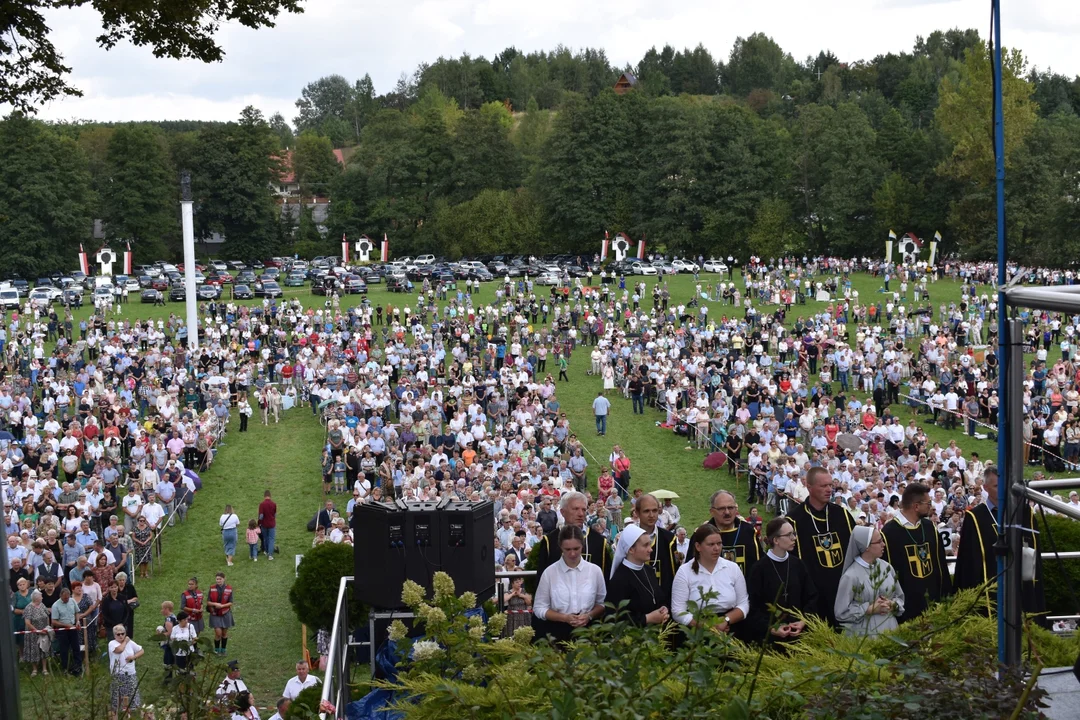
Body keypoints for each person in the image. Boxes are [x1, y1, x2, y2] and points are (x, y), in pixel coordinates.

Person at [954, 467, 1045, 616]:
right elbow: (967, 563)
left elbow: (1034, 554)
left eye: (1005, 485)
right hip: (990, 588)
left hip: (1019, 586)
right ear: (985, 488)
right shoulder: (975, 517)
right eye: (996, 486)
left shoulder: (1024, 514)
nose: (1002, 490)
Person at [787, 466, 854, 626]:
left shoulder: (842, 514)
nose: (829, 489)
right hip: (813, 597)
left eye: (831, 485)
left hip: (844, 592)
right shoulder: (793, 520)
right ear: (809, 487)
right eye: (824, 486)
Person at [881, 482, 953, 623]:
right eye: (928, 502)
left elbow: (941, 565)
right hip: (906, 607)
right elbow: (887, 575)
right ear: (916, 506)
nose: (931, 506)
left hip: (933, 605)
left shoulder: (930, 528)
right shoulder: (889, 533)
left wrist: (946, 597)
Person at [745, 517, 818, 643]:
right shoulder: (759, 569)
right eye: (789, 535)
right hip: (770, 639)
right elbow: (754, 606)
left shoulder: (798, 564)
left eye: (794, 534)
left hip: (799, 635)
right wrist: (771, 628)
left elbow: (811, 596)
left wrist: (803, 620)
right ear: (776, 540)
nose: (794, 538)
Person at [533, 525, 607, 644]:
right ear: (560, 547)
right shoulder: (550, 573)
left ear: (582, 546)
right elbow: (539, 608)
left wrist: (589, 615)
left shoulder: (595, 571)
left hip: (588, 632)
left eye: (576, 549)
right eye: (567, 549)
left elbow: (602, 603)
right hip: (557, 632)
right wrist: (564, 618)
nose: (572, 554)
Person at [671, 524, 748, 635]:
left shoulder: (732, 568)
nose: (716, 548)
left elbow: (743, 604)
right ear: (698, 547)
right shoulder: (685, 571)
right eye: (711, 544)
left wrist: (725, 620)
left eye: (719, 543)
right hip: (697, 632)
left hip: (730, 628)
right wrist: (706, 626)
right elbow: (678, 611)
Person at [835, 526, 905, 637]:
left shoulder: (887, 567)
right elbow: (841, 612)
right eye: (879, 541)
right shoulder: (851, 575)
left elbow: (899, 596)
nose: (883, 544)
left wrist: (892, 604)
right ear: (866, 546)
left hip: (891, 629)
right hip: (865, 634)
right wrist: (868, 609)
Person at [527, 491, 610, 584]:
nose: (581, 514)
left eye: (583, 509)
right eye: (575, 509)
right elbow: (542, 580)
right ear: (562, 512)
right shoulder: (549, 541)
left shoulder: (598, 542)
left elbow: (604, 580)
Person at [606, 524, 670, 627]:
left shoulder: (648, 570)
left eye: (650, 544)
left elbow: (658, 597)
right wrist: (647, 618)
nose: (650, 549)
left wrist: (663, 608)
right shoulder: (619, 579)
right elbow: (616, 619)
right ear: (631, 549)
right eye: (645, 545)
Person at [693, 489, 762, 577]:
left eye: (730, 508)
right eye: (722, 508)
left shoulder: (749, 532)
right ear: (712, 512)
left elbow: (758, 567)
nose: (727, 512)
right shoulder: (701, 535)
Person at [632, 493, 679, 607]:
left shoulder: (669, 539)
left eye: (655, 510)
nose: (651, 515)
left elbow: (673, 574)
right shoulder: (629, 538)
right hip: (635, 602)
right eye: (646, 511)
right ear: (637, 513)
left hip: (663, 603)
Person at [108, 623, 144, 718]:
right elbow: (119, 650)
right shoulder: (112, 643)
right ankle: (115, 714)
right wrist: (125, 641)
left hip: (130, 673)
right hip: (117, 673)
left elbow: (141, 650)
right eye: (118, 634)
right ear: (114, 635)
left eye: (122, 633)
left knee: (132, 693)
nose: (121, 636)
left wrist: (134, 657)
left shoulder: (131, 643)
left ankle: (130, 713)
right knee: (116, 695)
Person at [50, 585, 82, 676]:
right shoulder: (55, 605)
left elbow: (77, 612)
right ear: (61, 596)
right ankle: (65, 668)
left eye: (67, 598)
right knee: (64, 649)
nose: (66, 600)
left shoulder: (72, 601)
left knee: (76, 647)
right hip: (62, 630)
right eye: (64, 598)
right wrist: (65, 625)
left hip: (73, 627)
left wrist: (78, 621)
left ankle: (78, 666)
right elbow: (54, 621)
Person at [21, 589, 51, 676]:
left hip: (44, 632)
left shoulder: (42, 605)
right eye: (41, 596)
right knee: (34, 650)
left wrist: (47, 628)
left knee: (44, 649)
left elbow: (47, 616)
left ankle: (44, 669)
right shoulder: (28, 608)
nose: (42, 597)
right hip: (33, 633)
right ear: (37, 598)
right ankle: (34, 669)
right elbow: (27, 623)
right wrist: (37, 631)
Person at [208, 571, 235, 655]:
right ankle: (216, 650)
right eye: (217, 579)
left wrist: (222, 606)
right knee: (218, 633)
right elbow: (208, 602)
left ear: (224, 579)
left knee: (224, 633)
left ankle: (223, 650)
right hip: (215, 614)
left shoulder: (229, 588)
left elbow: (231, 602)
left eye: (220, 579)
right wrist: (215, 604)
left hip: (225, 613)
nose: (218, 581)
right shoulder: (212, 588)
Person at [258, 489, 277, 560]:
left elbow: (261, 516)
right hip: (272, 524)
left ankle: (266, 550)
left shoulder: (262, 504)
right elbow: (275, 515)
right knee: (271, 539)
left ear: (264, 496)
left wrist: (259, 523)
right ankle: (270, 555)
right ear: (270, 496)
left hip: (264, 524)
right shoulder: (274, 504)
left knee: (265, 538)